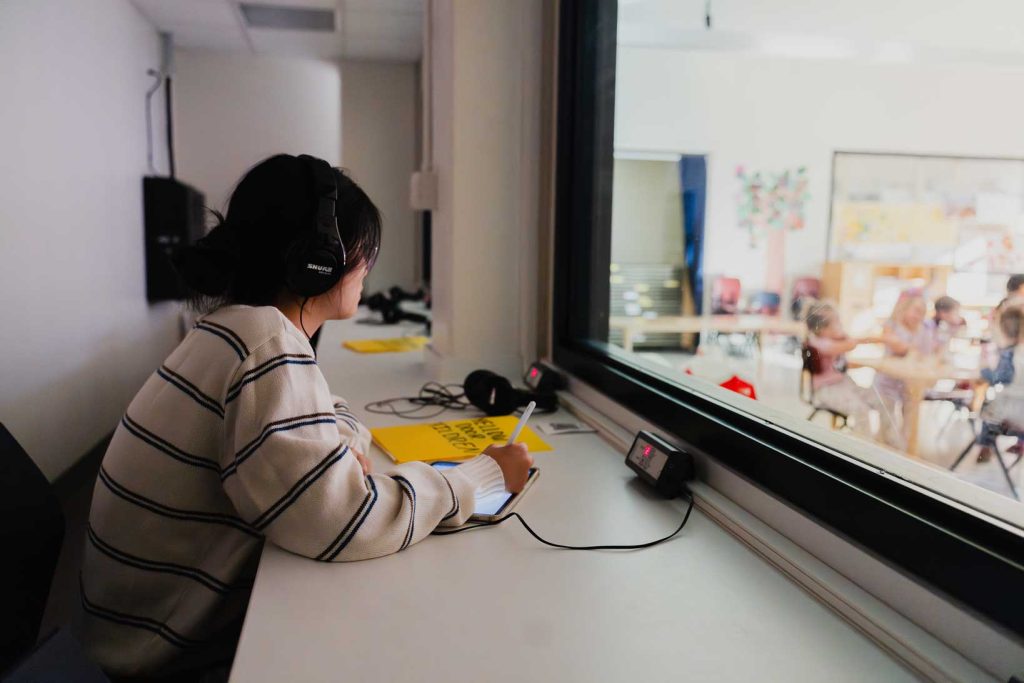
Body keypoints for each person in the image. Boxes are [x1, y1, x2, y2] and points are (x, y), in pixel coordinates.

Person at [74, 154, 534, 681]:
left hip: (124, 628)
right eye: (365, 250)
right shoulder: (265, 346)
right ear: (319, 259)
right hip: (161, 656)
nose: (368, 266)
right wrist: (481, 477)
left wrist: (338, 448)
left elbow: (315, 412)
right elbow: (346, 520)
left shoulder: (236, 329)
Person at [804, 303, 899, 447]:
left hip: (846, 384)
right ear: (821, 329)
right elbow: (849, 345)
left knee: (886, 402)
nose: (840, 325)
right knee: (861, 410)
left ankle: (887, 442)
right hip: (826, 390)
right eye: (836, 322)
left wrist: (872, 362)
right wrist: (851, 338)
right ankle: (861, 450)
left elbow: (843, 364)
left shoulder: (834, 340)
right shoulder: (818, 343)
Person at [873, 289, 933, 444]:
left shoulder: (924, 330)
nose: (918, 316)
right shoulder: (891, 325)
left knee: (909, 427)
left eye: (922, 312)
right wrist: (912, 350)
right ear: (904, 307)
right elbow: (897, 346)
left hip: (910, 385)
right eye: (916, 311)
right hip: (886, 384)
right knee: (887, 426)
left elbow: (926, 355)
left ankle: (903, 452)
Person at [976, 307, 1024, 461]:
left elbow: (1001, 378)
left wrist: (984, 370)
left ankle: (986, 445)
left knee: (989, 405)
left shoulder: (1009, 353)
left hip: (1011, 416)